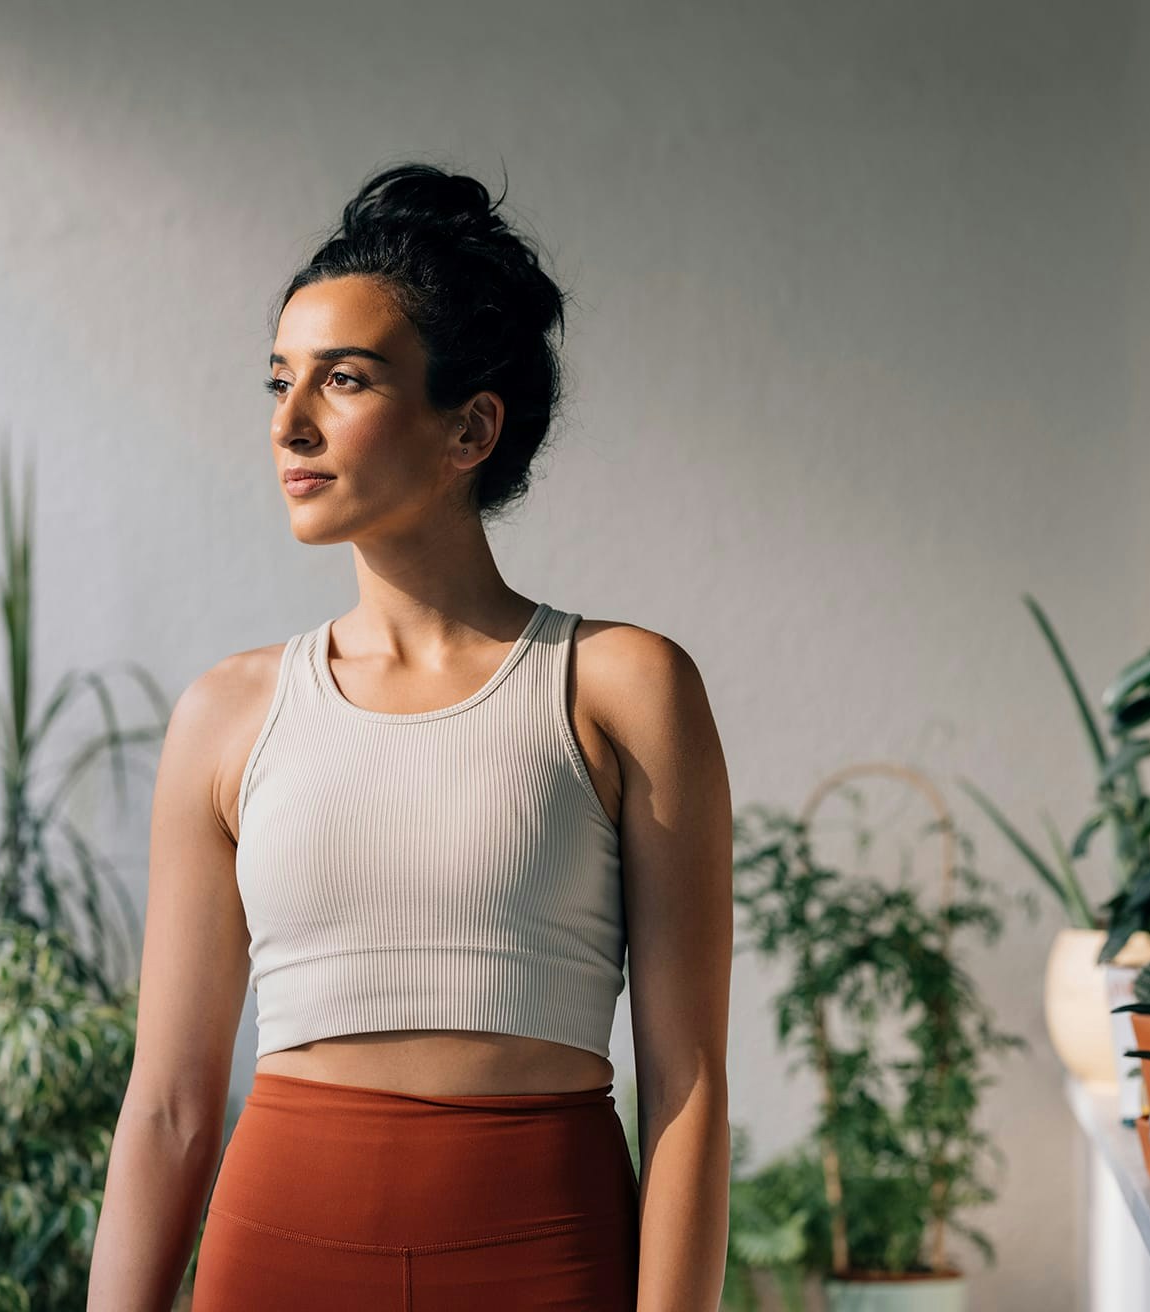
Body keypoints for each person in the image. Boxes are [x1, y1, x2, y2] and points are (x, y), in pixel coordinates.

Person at [86, 161, 733, 1311]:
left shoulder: (622, 688)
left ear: (471, 426)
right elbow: (173, 1105)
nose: (290, 422)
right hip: (275, 1254)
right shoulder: (227, 715)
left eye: (344, 381)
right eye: (280, 380)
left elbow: (687, 1089)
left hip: (546, 1256)